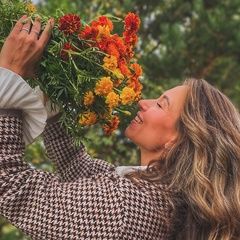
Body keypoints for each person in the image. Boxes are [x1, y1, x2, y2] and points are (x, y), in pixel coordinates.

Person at [0, 16, 240, 240]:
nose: (143, 103)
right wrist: (52, 96)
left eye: (160, 104)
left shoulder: (129, 207)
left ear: (176, 142)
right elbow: (76, 165)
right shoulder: (162, 197)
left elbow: (14, 189)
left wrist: (9, 74)